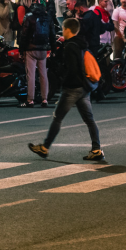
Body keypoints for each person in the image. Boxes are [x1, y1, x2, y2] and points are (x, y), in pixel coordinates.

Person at [28, 18, 104, 162]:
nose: (62, 31)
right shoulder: (81, 43)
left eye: (63, 29)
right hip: (84, 87)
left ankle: (45, 147)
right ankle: (96, 149)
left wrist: (64, 82)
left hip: (72, 88)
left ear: (68, 30)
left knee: (58, 118)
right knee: (89, 120)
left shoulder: (70, 47)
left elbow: (71, 69)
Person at [18, 0, 53, 107]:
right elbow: (52, 34)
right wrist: (53, 47)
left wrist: (21, 49)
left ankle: (30, 99)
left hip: (30, 49)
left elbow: (24, 35)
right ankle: (44, 99)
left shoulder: (29, 16)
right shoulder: (48, 17)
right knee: (43, 74)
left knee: (31, 74)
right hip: (43, 49)